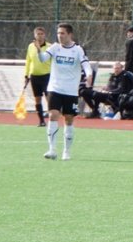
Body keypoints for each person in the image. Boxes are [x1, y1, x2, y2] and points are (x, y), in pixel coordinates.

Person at [37, 23, 93, 161]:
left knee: (68, 119)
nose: (59, 36)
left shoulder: (78, 50)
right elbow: (43, 59)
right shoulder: (55, 47)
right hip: (55, 88)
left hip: (71, 91)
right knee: (53, 115)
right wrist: (39, 50)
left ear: (69, 34)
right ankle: (52, 150)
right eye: (58, 33)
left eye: (62, 33)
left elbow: (86, 65)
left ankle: (66, 151)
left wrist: (89, 75)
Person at [23, 26, 52, 127]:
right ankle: (41, 120)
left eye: (41, 34)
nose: (39, 36)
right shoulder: (31, 46)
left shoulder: (49, 47)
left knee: (49, 97)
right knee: (37, 99)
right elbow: (28, 61)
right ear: (34, 35)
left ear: (45, 35)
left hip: (47, 76)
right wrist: (26, 75)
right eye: (38, 34)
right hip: (35, 76)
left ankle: (52, 119)